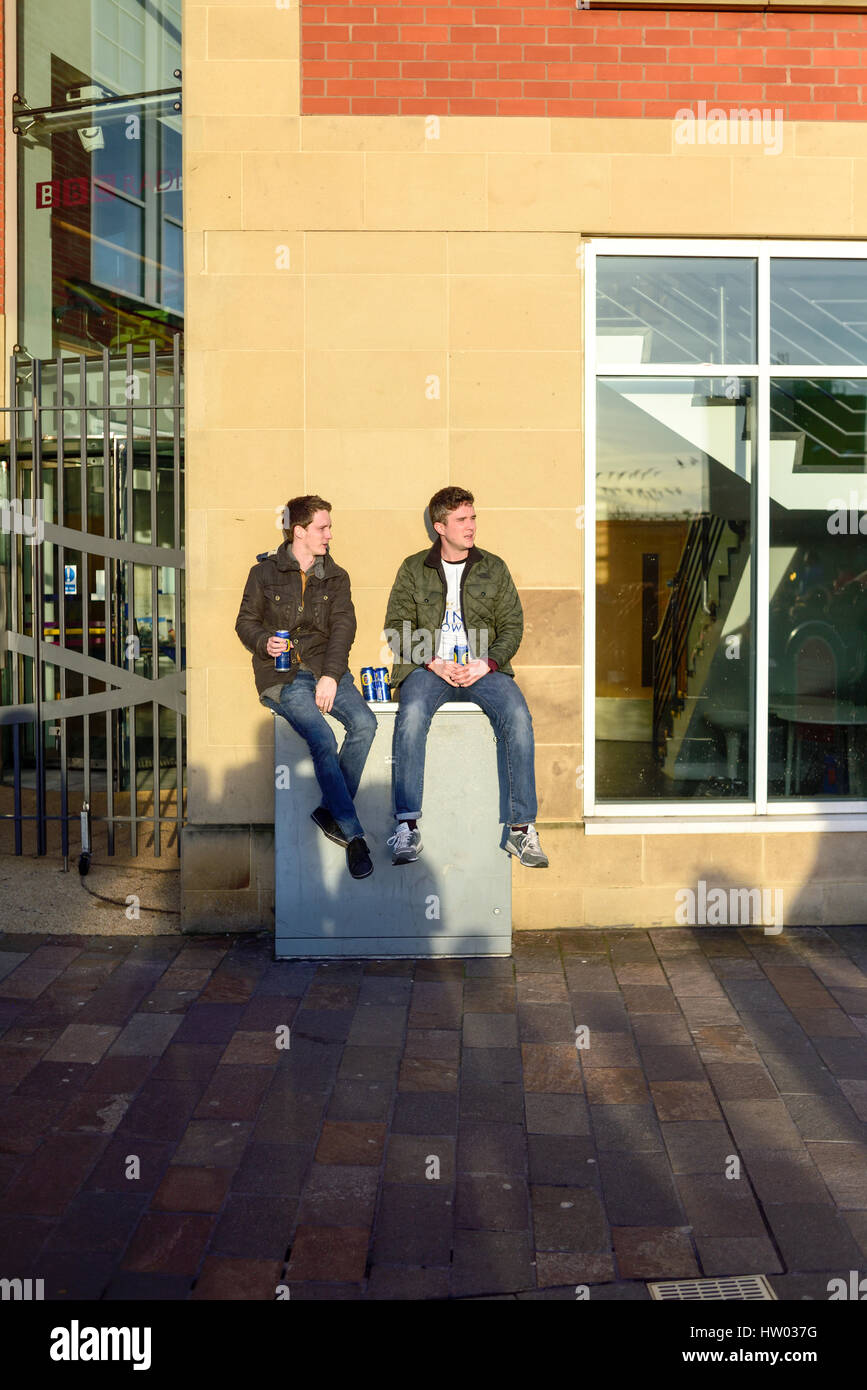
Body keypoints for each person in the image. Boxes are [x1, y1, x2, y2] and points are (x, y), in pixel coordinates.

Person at [383, 486, 548, 869]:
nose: (471, 526)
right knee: (410, 718)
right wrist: (431, 661)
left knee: (520, 718)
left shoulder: (494, 566)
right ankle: (407, 825)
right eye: (461, 519)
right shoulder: (413, 568)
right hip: (431, 668)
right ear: (440, 526)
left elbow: (512, 626)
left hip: (482, 667)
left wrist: (487, 663)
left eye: (472, 517)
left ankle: (522, 831)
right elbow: (396, 626)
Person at [235, 494, 375, 879]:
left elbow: (344, 629)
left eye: (329, 527)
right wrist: (265, 641)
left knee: (365, 724)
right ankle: (354, 834)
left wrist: (331, 676)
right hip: (283, 677)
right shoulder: (263, 573)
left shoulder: (336, 576)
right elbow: (245, 622)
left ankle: (331, 812)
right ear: (299, 531)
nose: (329, 534)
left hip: (326, 668)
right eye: (322, 528)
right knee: (323, 738)